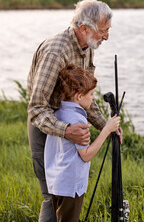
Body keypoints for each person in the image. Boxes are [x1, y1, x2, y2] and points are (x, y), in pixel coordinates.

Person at [27, 0, 122, 222]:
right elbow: (36, 108)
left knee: (68, 196)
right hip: (46, 129)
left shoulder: (86, 47)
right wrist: (66, 130)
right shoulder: (55, 53)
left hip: (70, 124)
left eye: (108, 30)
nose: (107, 37)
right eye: (103, 31)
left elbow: (86, 96)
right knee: (53, 197)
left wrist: (106, 126)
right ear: (84, 28)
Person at [44, 64, 121, 222]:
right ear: (79, 96)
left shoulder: (58, 113)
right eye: (91, 94)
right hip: (71, 186)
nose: (93, 98)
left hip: (56, 183)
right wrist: (106, 129)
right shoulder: (77, 118)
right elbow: (86, 155)